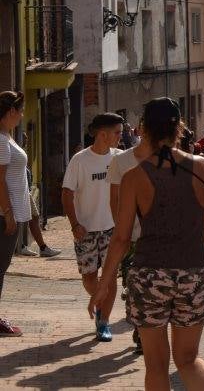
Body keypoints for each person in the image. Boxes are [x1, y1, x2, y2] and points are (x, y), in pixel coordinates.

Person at [90, 97, 204, 391]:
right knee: (189, 359)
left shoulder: (133, 176)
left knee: (156, 366)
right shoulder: (202, 167)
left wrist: (103, 284)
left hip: (149, 275)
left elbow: (120, 238)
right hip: (193, 273)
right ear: (179, 127)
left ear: (143, 129)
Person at [62, 113, 124, 341]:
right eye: (117, 132)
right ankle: (100, 301)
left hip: (112, 229)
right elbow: (67, 194)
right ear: (102, 134)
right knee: (90, 278)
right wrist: (74, 224)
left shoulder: (120, 158)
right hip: (85, 230)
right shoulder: (80, 160)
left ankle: (104, 322)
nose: (121, 136)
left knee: (110, 278)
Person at [0, 91, 31, 337]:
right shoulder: (1, 140)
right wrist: (8, 212)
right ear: (10, 111)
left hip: (11, 212)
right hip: (4, 214)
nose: (22, 116)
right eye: (20, 111)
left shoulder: (6, 138)